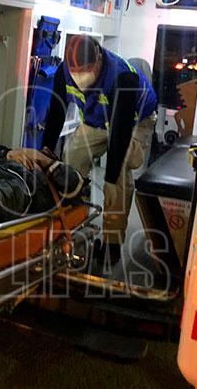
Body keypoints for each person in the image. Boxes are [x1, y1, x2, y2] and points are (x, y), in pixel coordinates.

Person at [41, 34, 158, 269]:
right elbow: (56, 111)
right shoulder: (65, 71)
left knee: (118, 178)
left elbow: (120, 134)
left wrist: (110, 177)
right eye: (75, 72)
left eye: (85, 71)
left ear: (98, 61)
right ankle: (74, 222)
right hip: (96, 120)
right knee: (70, 160)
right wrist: (45, 151)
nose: (79, 77)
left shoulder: (123, 77)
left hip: (134, 121)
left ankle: (112, 245)